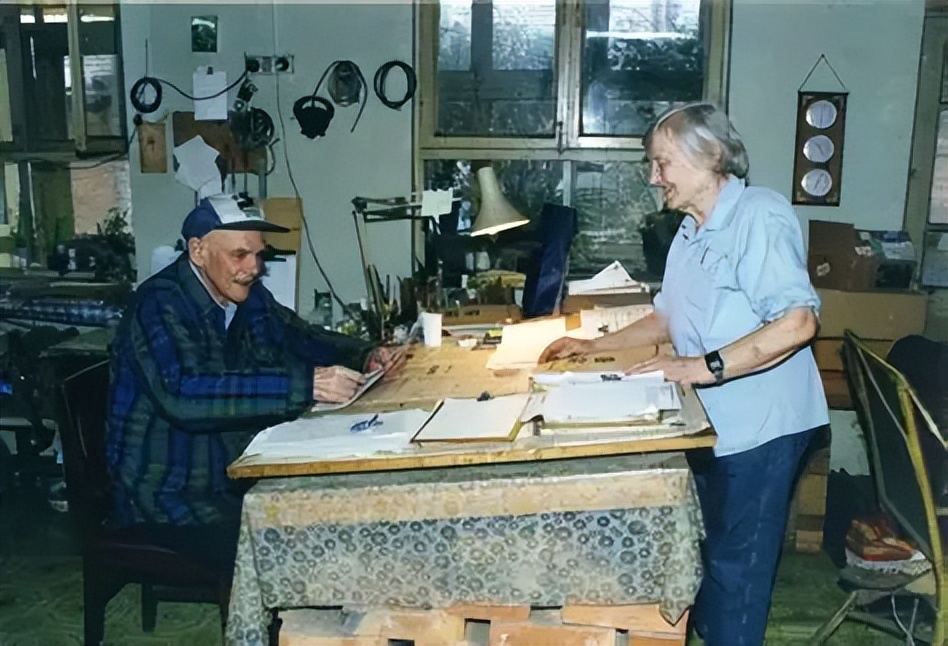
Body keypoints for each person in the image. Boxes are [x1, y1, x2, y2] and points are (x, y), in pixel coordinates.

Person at [539, 103, 829, 646]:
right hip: (710, 422)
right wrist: (592, 346)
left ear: (711, 156)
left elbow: (797, 322)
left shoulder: (758, 216)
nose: (654, 177)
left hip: (762, 427)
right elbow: (665, 317)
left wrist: (700, 366)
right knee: (711, 556)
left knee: (738, 570)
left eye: (663, 162)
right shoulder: (690, 230)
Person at [106, 194, 403, 577]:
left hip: (231, 472)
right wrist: (307, 384)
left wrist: (364, 354)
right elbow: (185, 395)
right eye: (240, 255)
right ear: (198, 251)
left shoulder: (245, 295)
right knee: (294, 553)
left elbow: (300, 336)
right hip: (169, 494)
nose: (254, 268)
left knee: (334, 515)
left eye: (258, 255)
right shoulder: (158, 304)